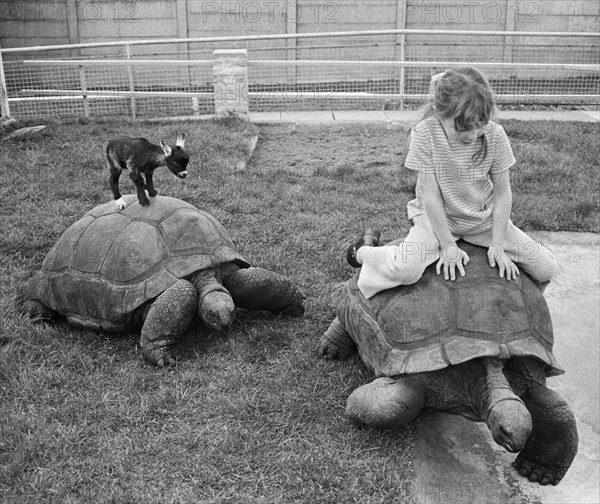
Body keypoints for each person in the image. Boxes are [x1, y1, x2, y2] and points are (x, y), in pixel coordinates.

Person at [347, 66, 558, 299]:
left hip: (481, 222)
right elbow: (431, 196)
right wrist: (447, 244)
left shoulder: (496, 135)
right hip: (435, 219)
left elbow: (502, 193)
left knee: (545, 267)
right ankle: (364, 252)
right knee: (406, 270)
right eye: (463, 128)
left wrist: (497, 243)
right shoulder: (425, 134)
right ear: (439, 111)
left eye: (480, 126)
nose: (472, 135)